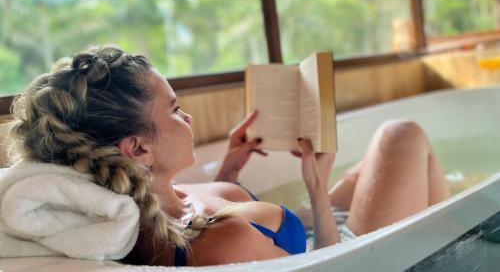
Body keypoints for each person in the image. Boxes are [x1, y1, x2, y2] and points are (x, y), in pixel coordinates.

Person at [2, 45, 450, 266]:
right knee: (401, 134)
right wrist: (315, 190)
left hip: (320, 229)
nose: (189, 117)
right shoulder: (222, 242)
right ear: (138, 148)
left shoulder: (147, 200)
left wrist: (231, 171)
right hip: (358, 257)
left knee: (385, 160)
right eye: (175, 109)